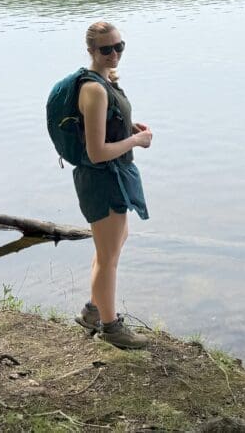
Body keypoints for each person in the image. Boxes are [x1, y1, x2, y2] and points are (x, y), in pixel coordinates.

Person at [71, 21, 154, 349]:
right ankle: (110, 327)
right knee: (108, 255)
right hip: (101, 179)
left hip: (113, 177)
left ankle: (93, 310)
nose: (114, 53)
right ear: (91, 50)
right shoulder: (92, 88)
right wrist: (135, 140)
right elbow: (97, 151)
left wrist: (126, 126)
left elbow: (103, 127)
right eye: (106, 49)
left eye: (119, 46)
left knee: (114, 244)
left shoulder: (106, 82)